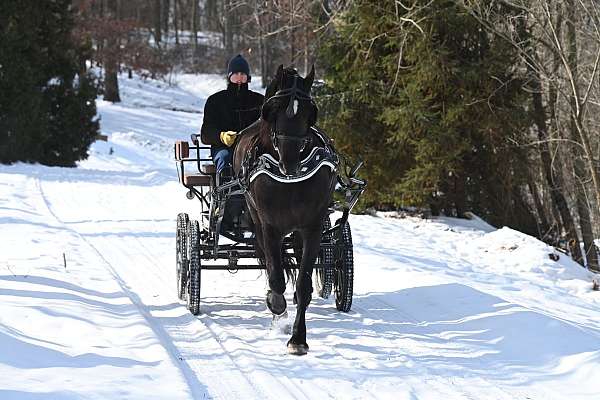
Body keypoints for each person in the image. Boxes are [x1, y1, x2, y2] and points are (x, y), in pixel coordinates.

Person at [200, 54, 264, 175]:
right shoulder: (215, 100)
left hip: (253, 149)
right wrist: (221, 136)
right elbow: (206, 132)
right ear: (229, 76)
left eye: (243, 74)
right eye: (236, 74)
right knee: (224, 159)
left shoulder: (259, 101)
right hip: (224, 148)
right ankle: (225, 192)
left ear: (248, 77)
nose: (239, 77)